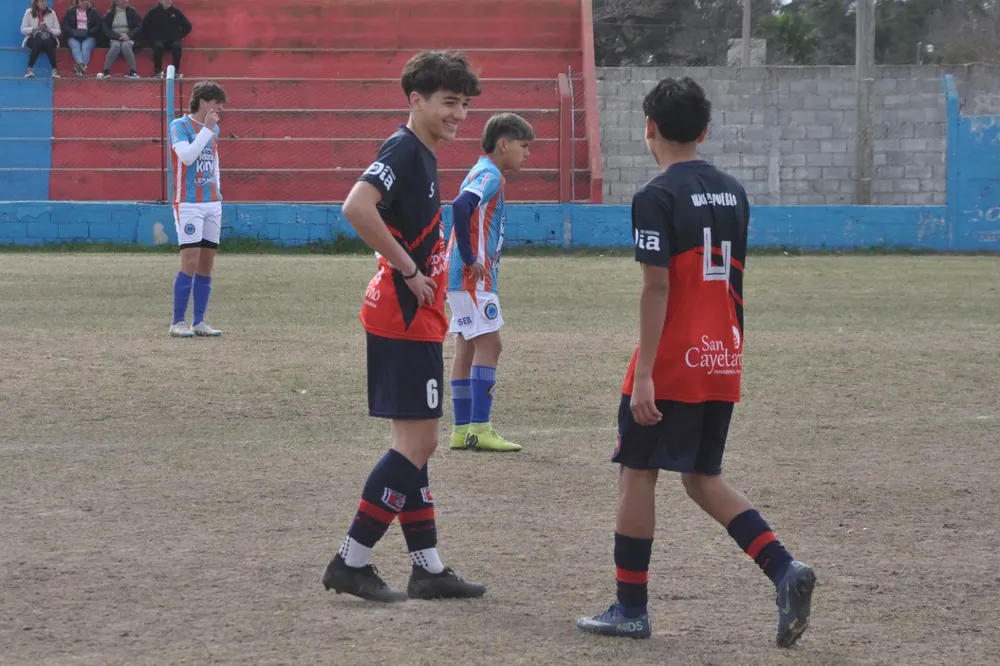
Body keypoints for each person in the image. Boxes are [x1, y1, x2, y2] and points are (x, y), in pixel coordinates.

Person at [575, 77, 816, 647]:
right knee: (702, 478)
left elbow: (657, 286)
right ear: (705, 130)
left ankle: (630, 608)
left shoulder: (655, 195)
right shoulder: (733, 192)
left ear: (648, 128)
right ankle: (785, 570)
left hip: (675, 361)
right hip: (722, 355)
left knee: (638, 471)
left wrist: (647, 375)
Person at [321, 51, 487, 603]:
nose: (459, 114)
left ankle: (428, 567)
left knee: (414, 446)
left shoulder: (423, 152)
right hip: (403, 315)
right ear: (415, 100)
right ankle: (352, 560)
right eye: (448, 102)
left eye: (464, 104)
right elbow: (356, 206)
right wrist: (409, 268)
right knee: (418, 444)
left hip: (413, 316)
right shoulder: (404, 150)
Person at [445, 112, 534, 453]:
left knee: (466, 346)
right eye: (524, 146)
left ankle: (461, 429)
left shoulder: (480, 170)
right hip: (472, 279)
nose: (527, 154)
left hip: (460, 278)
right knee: (490, 346)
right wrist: (470, 258)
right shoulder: (490, 174)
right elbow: (461, 204)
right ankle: (480, 428)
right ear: (504, 143)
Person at [167, 81, 228, 338]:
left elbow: (212, 163)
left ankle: (199, 321)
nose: (220, 109)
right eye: (217, 104)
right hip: (189, 203)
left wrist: (218, 192)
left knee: (207, 262)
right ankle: (177, 322)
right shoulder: (179, 126)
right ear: (203, 102)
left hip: (212, 203)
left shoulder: (214, 131)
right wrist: (207, 129)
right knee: (189, 260)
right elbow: (188, 157)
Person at [142, 0, 191, 78]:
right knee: (158, 46)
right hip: (158, 39)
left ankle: (175, 71)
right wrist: (151, 39)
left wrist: (178, 36)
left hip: (173, 39)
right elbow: (144, 27)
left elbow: (188, 27)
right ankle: (158, 71)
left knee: (177, 46)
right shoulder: (152, 12)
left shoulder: (176, 12)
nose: (168, 1)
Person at [97, 0, 141, 79]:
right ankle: (106, 71)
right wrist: (118, 37)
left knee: (126, 46)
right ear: (116, 2)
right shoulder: (110, 14)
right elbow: (105, 29)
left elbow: (138, 26)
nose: (125, 1)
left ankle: (134, 72)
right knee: (116, 46)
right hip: (115, 38)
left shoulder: (132, 12)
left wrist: (129, 35)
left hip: (128, 38)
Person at [20, 0, 61, 79]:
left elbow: (58, 31)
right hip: (33, 37)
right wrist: (35, 29)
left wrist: (48, 30)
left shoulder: (52, 13)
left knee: (48, 42)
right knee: (38, 42)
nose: (44, 3)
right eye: (42, 1)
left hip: (48, 37)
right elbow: (23, 29)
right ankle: (30, 69)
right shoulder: (29, 12)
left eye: (45, 1)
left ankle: (55, 70)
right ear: (36, 3)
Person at [60, 0, 100, 77]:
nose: (84, 2)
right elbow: (64, 25)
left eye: (85, 0)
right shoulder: (70, 11)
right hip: (74, 35)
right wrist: (72, 32)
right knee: (75, 46)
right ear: (77, 2)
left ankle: (79, 69)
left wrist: (89, 32)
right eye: (82, 1)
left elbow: (98, 25)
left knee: (86, 47)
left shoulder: (94, 11)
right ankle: (82, 67)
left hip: (89, 36)